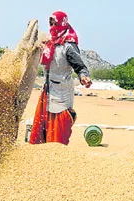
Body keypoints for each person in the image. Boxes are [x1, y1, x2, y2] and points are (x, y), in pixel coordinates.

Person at [29, 11, 92, 145]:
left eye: (55, 23)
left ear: (62, 24)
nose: (52, 26)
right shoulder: (49, 42)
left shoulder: (68, 45)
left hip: (61, 94)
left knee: (58, 133)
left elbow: (80, 66)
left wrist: (84, 76)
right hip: (47, 92)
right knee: (41, 130)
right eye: (50, 23)